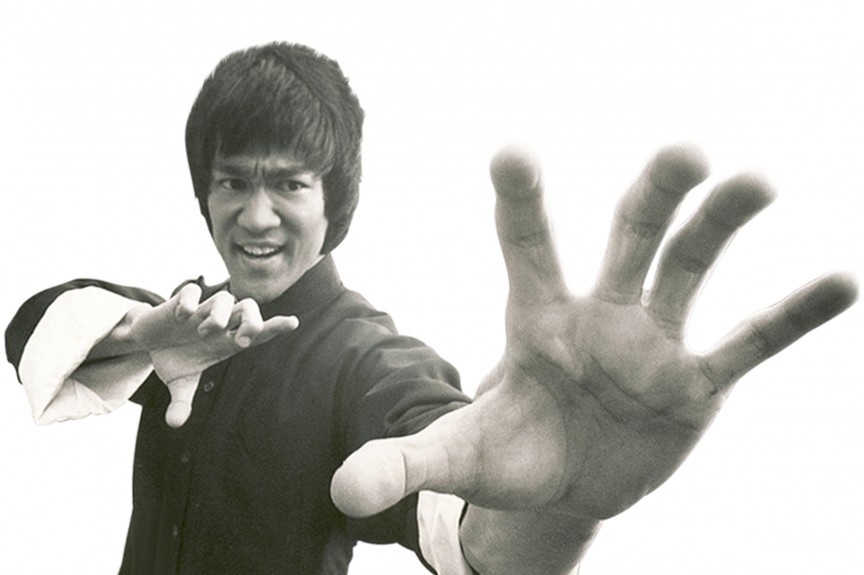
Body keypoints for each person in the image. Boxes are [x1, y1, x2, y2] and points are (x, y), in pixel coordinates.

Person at [5, 42, 857, 575]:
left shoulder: (366, 358)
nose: (255, 216)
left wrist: (560, 505)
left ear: (335, 201)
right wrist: (143, 335)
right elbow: (36, 327)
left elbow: (457, 507)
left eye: (289, 184)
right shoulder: (185, 323)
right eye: (232, 181)